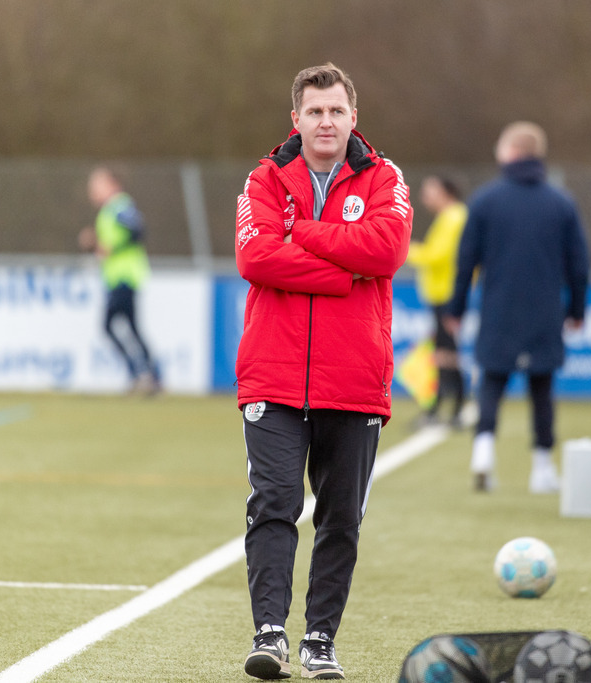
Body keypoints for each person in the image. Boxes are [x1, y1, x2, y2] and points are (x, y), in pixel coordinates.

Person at [233, 63, 412, 680]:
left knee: (340, 518)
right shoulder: (264, 177)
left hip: (354, 378)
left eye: (336, 111)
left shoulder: (384, 177)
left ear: (353, 117)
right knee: (275, 504)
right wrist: (343, 270)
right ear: (297, 119)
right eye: (315, 111)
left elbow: (387, 249)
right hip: (273, 375)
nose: (326, 122)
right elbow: (255, 256)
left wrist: (302, 233)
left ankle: (319, 639)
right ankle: (269, 634)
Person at [444, 121, 590, 494]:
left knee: (491, 382)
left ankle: (483, 454)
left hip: (499, 310)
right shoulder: (561, 203)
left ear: (509, 151)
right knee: (542, 387)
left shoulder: (485, 200)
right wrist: (577, 310)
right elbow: (579, 265)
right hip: (545, 311)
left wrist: (456, 309)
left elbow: (465, 262)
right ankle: (542, 468)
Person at [78, 167, 161, 395]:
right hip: (117, 278)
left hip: (125, 277)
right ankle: (149, 375)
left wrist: (110, 248)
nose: (93, 191)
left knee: (110, 325)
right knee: (131, 328)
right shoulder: (109, 210)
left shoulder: (119, 206)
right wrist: (94, 244)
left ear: (112, 184)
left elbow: (137, 231)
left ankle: (141, 374)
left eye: (97, 185)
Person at [405, 176, 468, 427]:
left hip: (447, 294)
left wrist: (404, 249)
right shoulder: (450, 216)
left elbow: (437, 255)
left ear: (445, 192)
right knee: (444, 351)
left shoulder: (453, 217)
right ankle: (447, 409)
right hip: (443, 293)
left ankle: (449, 408)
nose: (424, 197)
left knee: (446, 351)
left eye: (429, 191)